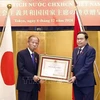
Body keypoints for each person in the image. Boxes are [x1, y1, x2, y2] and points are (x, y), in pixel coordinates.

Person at [69, 32, 96, 100]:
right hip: (76, 83)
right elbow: (73, 64)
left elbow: (87, 66)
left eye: (81, 39)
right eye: (77, 39)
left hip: (87, 83)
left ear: (86, 40)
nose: (79, 41)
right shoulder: (75, 50)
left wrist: (76, 77)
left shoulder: (90, 50)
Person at [16, 35, 40, 100]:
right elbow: (21, 69)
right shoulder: (21, 54)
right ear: (28, 43)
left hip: (34, 87)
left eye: (36, 43)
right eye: (33, 42)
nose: (34, 44)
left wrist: (41, 77)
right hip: (24, 87)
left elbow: (38, 70)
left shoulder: (37, 56)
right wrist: (32, 76)